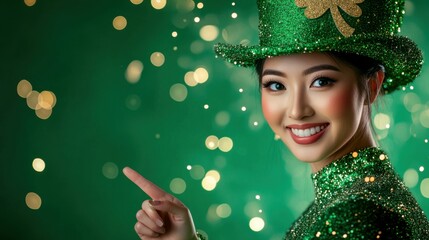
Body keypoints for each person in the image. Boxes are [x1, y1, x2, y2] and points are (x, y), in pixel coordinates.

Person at [123, 0, 429, 239]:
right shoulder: (364, 199)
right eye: (276, 85)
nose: (296, 110)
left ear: (371, 86)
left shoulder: (361, 214)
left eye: (321, 81)